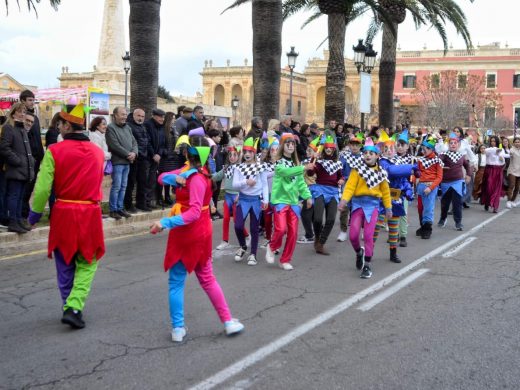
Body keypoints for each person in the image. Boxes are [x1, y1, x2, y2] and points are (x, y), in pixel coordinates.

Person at [150, 135, 244, 342]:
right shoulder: (197, 176)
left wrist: (165, 223)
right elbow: (162, 178)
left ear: (186, 153)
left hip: (187, 232)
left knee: (176, 282)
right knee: (207, 279)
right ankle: (227, 321)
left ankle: (178, 328)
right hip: (197, 231)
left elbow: (190, 211)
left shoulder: (193, 176)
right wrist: (175, 179)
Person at [28, 103, 105, 329]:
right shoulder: (98, 153)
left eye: (60, 123)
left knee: (64, 262)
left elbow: (42, 189)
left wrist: (34, 216)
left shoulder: (54, 150)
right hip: (90, 212)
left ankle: (68, 306)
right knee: (87, 261)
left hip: (64, 212)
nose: (59, 127)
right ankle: (74, 306)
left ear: (67, 125)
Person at [338, 137, 391, 279]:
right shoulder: (357, 171)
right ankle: (358, 253)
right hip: (357, 204)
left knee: (368, 236)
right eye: (365, 153)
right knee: (353, 235)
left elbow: (386, 192)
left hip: (372, 206)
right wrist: (344, 200)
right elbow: (349, 187)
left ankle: (367, 265)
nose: (367, 155)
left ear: (377, 156)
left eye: (371, 153)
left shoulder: (381, 173)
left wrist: (388, 208)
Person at [265, 133, 312, 270]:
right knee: (280, 229)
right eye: (288, 144)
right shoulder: (278, 163)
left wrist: (307, 196)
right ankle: (272, 246)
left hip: (293, 202)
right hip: (280, 201)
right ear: (282, 146)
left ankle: (285, 259)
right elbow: (287, 173)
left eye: (293, 144)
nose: (291, 146)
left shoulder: (296, 164)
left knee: (293, 233)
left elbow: (301, 183)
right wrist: (303, 168)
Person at [373, 132, 416, 263]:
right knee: (377, 226)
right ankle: (369, 249)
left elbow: (403, 179)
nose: (390, 151)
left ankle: (393, 252)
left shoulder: (397, 161)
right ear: (382, 150)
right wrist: (411, 167)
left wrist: (408, 190)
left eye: (392, 148)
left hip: (396, 198)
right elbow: (392, 171)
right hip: (382, 198)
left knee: (393, 226)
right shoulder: (381, 162)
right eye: (387, 149)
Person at [232, 137, 269, 266]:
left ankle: (253, 254)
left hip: (256, 200)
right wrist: (245, 181)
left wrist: (266, 200)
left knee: (254, 228)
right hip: (243, 199)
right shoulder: (239, 167)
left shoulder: (260, 167)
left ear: (254, 153)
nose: (247, 154)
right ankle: (243, 246)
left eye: (250, 151)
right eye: (245, 151)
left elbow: (264, 184)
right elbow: (235, 184)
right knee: (238, 226)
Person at [0, 102, 35, 233]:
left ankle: (18, 219)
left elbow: (26, 150)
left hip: (23, 169)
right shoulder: (9, 127)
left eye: (24, 112)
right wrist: (17, 160)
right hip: (15, 168)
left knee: (20, 196)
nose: (22, 114)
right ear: (14, 112)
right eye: (19, 111)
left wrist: (29, 162)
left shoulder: (21, 129)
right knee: (14, 195)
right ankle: (13, 221)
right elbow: (4, 148)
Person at [306, 135, 343, 255]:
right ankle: (317, 237)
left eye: (331, 148)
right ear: (324, 148)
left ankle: (321, 243)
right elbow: (310, 172)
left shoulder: (337, 163)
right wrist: (313, 159)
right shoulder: (319, 162)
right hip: (320, 190)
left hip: (332, 192)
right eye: (326, 147)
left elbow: (340, 176)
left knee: (331, 219)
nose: (328, 149)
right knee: (317, 219)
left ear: (333, 150)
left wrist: (341, 180)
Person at [212, 145, 249, 250]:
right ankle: (225, 241)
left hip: (237, 197)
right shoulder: (226, 168)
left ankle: (247, 235)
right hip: (228, 196)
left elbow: (244, 183)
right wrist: (207, 175)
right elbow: (216, 176)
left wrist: (240, 194)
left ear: (238, 156)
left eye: (234, 155)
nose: (232, 157)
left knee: (237, 220)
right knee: (226, 218)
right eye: (230, 155)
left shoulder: (241, 168)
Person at [106, 106, 138, 220]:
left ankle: (120, 208)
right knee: (116, 186)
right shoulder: (110, 128)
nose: (125, 116)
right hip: (118, 162)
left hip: (127, 162)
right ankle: (113, 209)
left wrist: (134, 153)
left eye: (125, 114)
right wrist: (128, 154)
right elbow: (114, 145)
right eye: (122, 114)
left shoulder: (128, 128)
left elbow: (134, 142)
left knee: (123, 186)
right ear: (115, 115)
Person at [438, 132, 472, 231]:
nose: (453, 144)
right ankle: (443, 218)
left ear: (458, 145)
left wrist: (469, 175)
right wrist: (441, 167)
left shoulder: (461, 156)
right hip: (445, 183)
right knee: (445, 203)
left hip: (458, 182)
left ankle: (458, 222)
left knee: (457, 203)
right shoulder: (444, 155)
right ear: (448, 145)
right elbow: (438, 162)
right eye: (451, 143)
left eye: (455, 143)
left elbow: (467, 166)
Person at [19, 90, 44, 219]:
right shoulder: (21, 117)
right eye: (29, 100)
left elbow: (37, 138)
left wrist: (41, 154)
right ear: (22, 101)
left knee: (30, 187)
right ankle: (23, 214)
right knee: (25, 187)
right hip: (28, 158)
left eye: (33, 100)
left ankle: (25, 212)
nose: (32, 102)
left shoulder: (35, 118)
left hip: (37, 158)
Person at [337, 133, 363, 242]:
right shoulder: (344, 156)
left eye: (357, 145)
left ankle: (361, 230)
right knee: (344, 208)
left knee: (359, 209)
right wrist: (342, 178)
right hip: (347, 185)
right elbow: (339, 169)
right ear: (349, 145)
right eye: (352, 144)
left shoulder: (364, 157)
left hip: (360, 186)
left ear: (360, 146)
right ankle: (343, 231)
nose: (355, 147)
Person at [415, 137, 444, 239]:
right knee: (420, 208)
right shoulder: (420, 160)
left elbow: (439, 177)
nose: (423, 150)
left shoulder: (437, 161)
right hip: (421, 186)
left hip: (430, 186)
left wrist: (430, 188)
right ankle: (423, 226)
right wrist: (415, 180)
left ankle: (427, 229)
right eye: (423, 148)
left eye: (426, 148)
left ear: (431, 149)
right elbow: (416, 173)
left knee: (428, 208)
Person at [125, 108, 149, 212]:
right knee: (130, 183)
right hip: (133, 159)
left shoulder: (143, 127)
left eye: (142, 116)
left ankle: (141, 204)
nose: (140, 118)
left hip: (143, 158)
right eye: (138, 116)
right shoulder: (128, 126)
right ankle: (128, 204)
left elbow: (145, 141)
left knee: (143, 182)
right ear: (133, 115)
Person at [145, 108, 167, 208]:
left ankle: (149, 202)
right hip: (148, 157)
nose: (162, 119)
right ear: (154, 116)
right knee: (145, 180)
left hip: (157, 158)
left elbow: (162, 143)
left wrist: (159, 154)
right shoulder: (148, 125)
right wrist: (153, 154)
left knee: (152, 181)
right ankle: (144, 203)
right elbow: (147, 141)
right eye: (160, 117)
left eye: (163, 117)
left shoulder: (161, 127)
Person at [480, 135, 508, 213]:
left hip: (498, 170)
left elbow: (502, 162)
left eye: (494, 141)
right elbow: (484, 152)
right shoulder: (488, 149)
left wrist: (500, 156)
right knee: (488, 187)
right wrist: (494, 151)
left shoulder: (501, 149)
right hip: (489, 169)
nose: (493, 142)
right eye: (491, 141)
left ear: (497, 142)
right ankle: (487, 202)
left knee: (497, 188)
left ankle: (495, 206)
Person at [506, 137, 520, 208]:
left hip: (519, 171)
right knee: (512, 185)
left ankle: (512, 200)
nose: (517, 143)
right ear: (514, 143)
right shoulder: (512, 150)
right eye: (516, 142)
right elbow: (509, 154)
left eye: (518, 142)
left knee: (517, 188)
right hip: (512, 171)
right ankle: (508, 201)